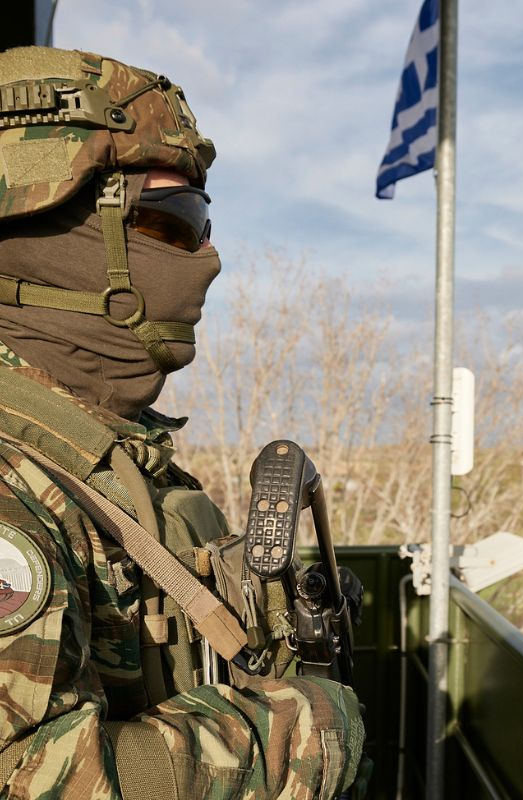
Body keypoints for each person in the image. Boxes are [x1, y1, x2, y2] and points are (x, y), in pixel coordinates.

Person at [0, 46, 365, 798]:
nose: (207, 257)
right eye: (173, 221)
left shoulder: (101, 456)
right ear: (45, 236)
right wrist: (305, 731)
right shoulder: (15, 493)